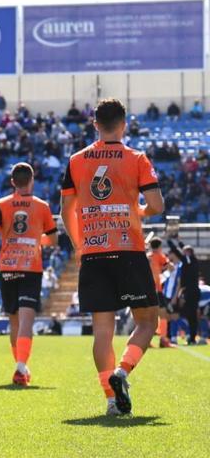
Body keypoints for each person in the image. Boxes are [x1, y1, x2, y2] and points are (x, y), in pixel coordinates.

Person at [60, 98, 165, 417]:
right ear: (125, 123)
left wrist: (80, 244)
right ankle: (123, 371)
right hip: (128, 250)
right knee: (148, 320)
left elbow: (66, 211)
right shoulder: (137, 158)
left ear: (94, 124)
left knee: (102, 331)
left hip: (93, 253)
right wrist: (139, 210)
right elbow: (156, 206)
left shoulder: (77, 160)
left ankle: (110, 399)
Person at [0, 163, 58, 386]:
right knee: (26, 322)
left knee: (14, 322)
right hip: (31, 268)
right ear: (32, 179)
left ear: (12, 182)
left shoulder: (1, 205)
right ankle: (21, 367)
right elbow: (53, 239)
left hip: (8, 268)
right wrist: (36, 238)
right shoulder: (42, 206)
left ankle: (20, 367)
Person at [167, 239, 200, 345]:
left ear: (189, 253)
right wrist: (179, 241)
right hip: (190, 292)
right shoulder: (191, 260)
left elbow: (179, 254)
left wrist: (170, 242)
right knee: (189, 315)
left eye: (185, 252)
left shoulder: (190, 261)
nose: (183, 254)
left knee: (187, 314)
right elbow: (184, 252)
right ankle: (191, 337)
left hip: (191, 292)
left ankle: (191, 337)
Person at [146, 237, 171, 347]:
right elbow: (170, 267)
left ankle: (147, 341)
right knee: (163, 315)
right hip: (157, 289)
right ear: (159, 247)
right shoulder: (159, 255)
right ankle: (163, 340)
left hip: (147, 289)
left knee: (149, 316)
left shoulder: (147, 256)